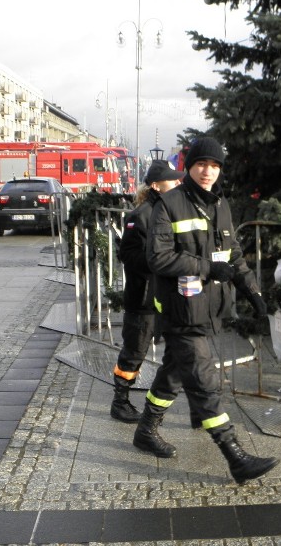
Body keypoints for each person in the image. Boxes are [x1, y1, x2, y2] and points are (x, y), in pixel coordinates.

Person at [133, 137, 278, 485]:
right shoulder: (169, 204)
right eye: (201, 164)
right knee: (203, 380)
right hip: (179, 308)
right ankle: (235, 457)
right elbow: (159, 257)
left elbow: (234, 255)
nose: (208, 171)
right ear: (189, 166)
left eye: (214, 166)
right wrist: (207, 268)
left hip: (207, 308)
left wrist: (254, 292)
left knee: (174, 371)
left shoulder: (220, 205)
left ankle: (145, 430)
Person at [110, 160, 184, 423]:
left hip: (168, 297)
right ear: (156, 185)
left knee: (178, 350)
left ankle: (164, 407)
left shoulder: (169, 210)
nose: (178, 183)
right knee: (134, 352)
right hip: (143, 298)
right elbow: (128, 255)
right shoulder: (141, 214)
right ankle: (120, 402)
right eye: (172, 180)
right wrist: (158, 260)